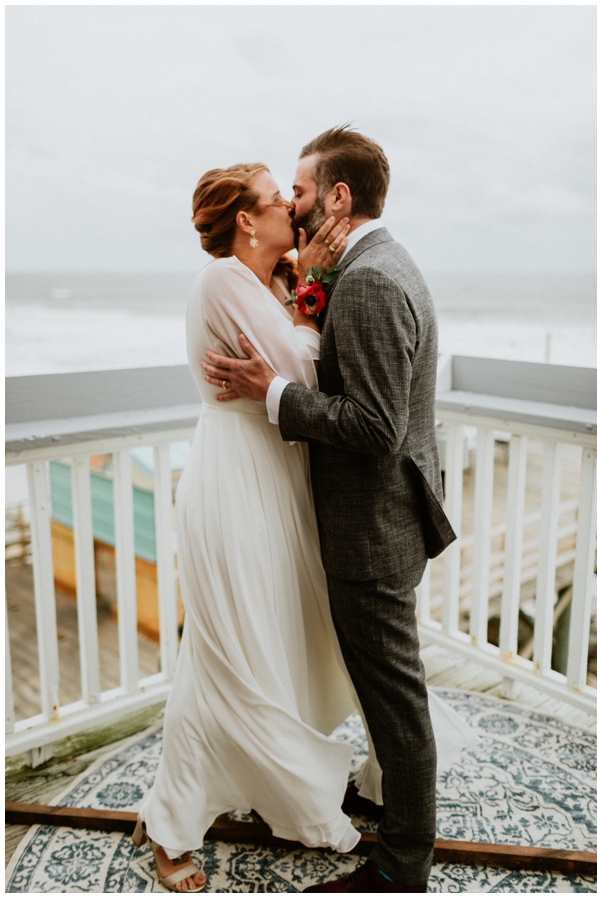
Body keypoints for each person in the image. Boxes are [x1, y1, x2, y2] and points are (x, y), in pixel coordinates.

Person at [135, 158, 474, 893]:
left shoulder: (284, 280)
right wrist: (307, 305)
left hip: (285, 483)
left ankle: (286, 785)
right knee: (225, 656)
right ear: (245, 221)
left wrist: (305, 293)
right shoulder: (225, 280)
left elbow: (301, 370)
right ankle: (170, 823)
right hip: (240, 484)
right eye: (275, 199)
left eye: (296, 193)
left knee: (272, 650)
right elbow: (303, 367)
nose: (291, 208)